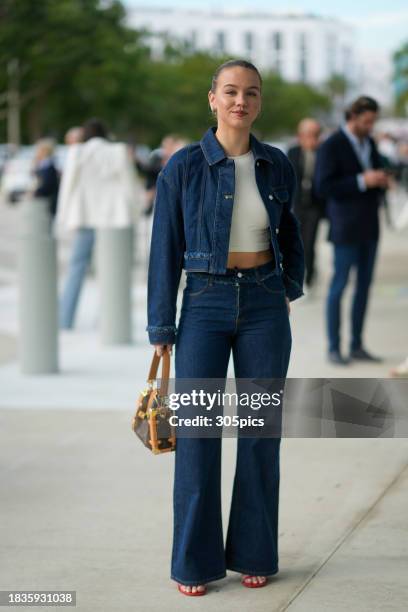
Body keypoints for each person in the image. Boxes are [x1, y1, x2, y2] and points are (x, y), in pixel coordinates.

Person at [146, 59, 304, 595]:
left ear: (259, 102)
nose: (241, 101)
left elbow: (292, 231)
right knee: (198, 436)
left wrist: (287, 288)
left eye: (251, 93)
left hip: (263, 304)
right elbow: (163, 251)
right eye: (231, 91)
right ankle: (194, 563)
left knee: (261, 435)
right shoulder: (183, 166)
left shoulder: (276, 164)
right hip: (205, 307)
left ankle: (255, 552)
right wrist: (161, 326)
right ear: (211, 98)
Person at [315, 96, 391, 365]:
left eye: (373, 121)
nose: (371, 126)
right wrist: (361, 180)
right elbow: (323, 186)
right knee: (339, 286)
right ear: (353, 116)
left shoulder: (368, 142)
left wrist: (380, 179)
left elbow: (371, 173)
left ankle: (357, 344)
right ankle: (334, 347)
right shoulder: (331, 145)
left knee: (364, 287)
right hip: (345, 227)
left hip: (370, 226)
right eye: (367, 121)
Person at [57, 118, 142, 329]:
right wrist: (136, 211)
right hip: (115, 218)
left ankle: (65, 319)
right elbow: (129, 183)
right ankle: (108, 321)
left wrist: (63, 217)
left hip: (86, 216)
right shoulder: (119, 151)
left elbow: (68, 186)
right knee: (112, 271)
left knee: (77, 267)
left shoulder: (77, 152)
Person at [287, 119, 325, 291]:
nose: (311, 139)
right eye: (307, 135)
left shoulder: (323, 153)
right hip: (297, 205)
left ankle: (309, 279)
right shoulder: (293, 152)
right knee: (296, 243)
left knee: (309, 243)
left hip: (314, 206)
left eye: (315, 135)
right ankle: (297, 276)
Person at [32, 138, 60, 220]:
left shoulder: (48, 166)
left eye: (38, 150)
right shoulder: (43, 165)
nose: (36, 153)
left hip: (49, 202)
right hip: (47, 202)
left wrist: (35, 193)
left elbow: (47, 185)